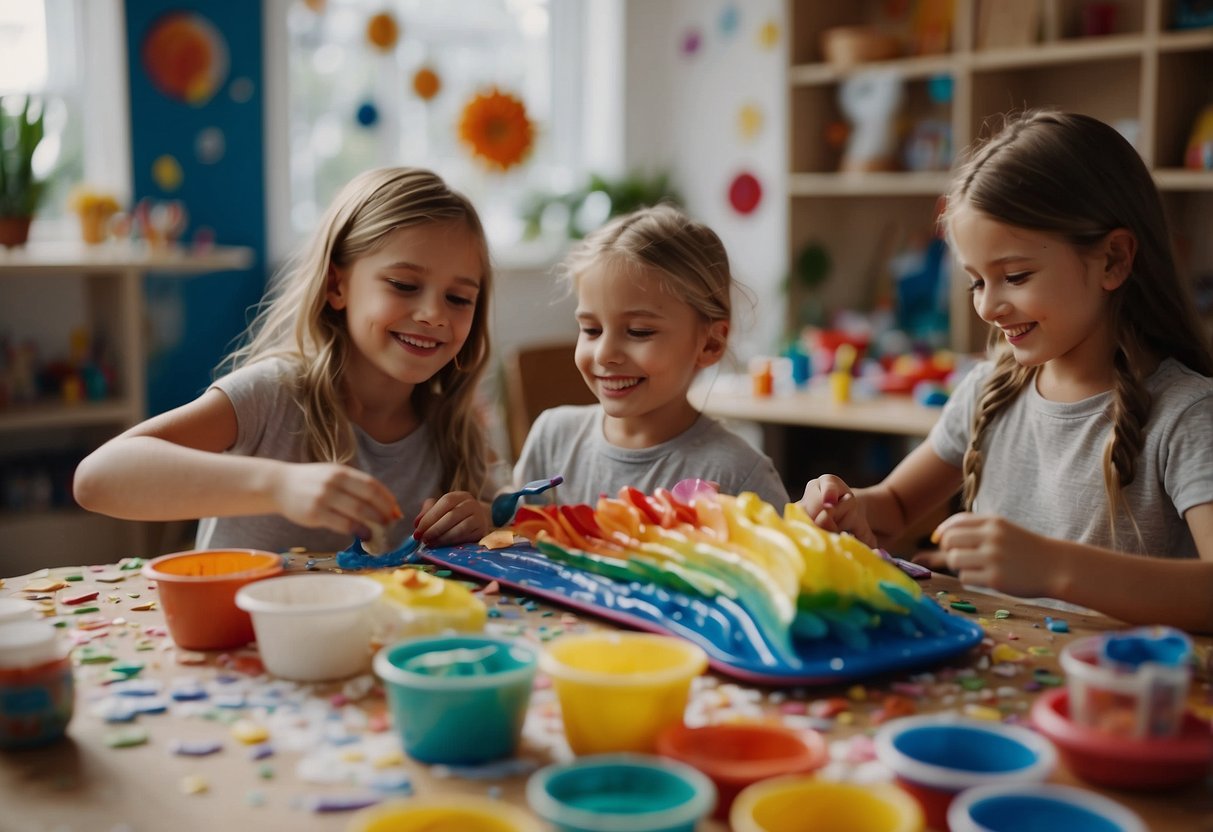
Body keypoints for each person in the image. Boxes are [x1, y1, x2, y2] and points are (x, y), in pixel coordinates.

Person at [799, 110, 1213, 632]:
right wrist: (846, 507)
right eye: (976, 282)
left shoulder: (1187, 415)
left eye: (1014, 276)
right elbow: (899, 504)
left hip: (1115, 701)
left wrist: (1055, 568)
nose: (988, 307)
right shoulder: (988, 391)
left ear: (1113, 259)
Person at [74, 167, 497, 553]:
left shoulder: (457, 428)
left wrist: (485, 519)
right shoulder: (271, 395)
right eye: (404, 285)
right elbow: (97, 478)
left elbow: (508, 529)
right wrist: (277, 485)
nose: (434, 314)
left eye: (458, 298)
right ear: (336, 286)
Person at [513, 204, 789, 508]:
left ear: (710, 344)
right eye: (591, 330)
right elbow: (511, 541)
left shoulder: (740, 477)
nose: (605, 354)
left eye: (639, 332)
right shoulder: (552, 439)